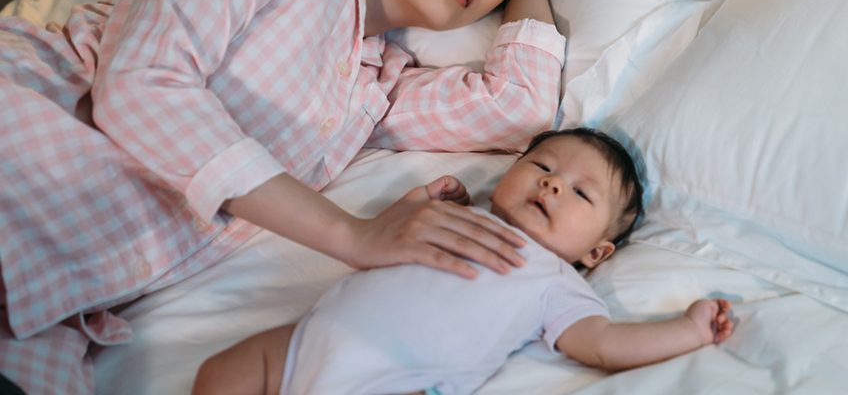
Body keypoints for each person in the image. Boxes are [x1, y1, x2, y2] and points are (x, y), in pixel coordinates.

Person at [0, 0, 573, 395]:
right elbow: (141, 85)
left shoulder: (377, 90)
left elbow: (519, 105)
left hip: (52, 301)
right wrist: (354, 236)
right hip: (23, 143)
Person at [192, 128, 735, 395]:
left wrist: (687, 330)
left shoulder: (554, 282)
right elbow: (376, 249)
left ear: (595, 253)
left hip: (402, 379)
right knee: (218, 373)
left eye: (579, 192)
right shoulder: (456, 219)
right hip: (305, 344)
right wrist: (415, 205)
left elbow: (603, 344)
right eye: (542, 165)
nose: (551, 182)